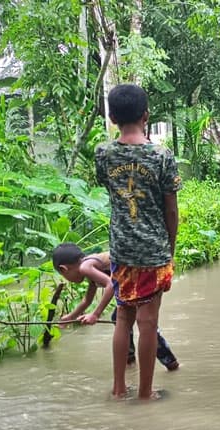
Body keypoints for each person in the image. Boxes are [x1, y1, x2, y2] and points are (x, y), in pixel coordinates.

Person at [96, 84, 180, 400]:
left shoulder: (103, 153)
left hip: (121, 248)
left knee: (123, 320)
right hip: (153, 250)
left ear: (113, 117)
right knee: (148, 323)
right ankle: (145, 393)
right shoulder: (161, 156)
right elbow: (171, 209)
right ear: (146, 116)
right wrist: (169, 250)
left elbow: (108, 187)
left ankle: (119, 389)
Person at [52, 243, 179, 372]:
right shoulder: (89, 267)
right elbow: (87, 300)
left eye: (64, 276)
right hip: (142, 273)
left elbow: (110, 285)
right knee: (126, 320)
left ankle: (168, 361)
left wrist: (95, 314)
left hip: (141, 276)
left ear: (64, 269)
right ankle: (131, 360)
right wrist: (70, 317)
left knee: (142, 323)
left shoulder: (86, 267)